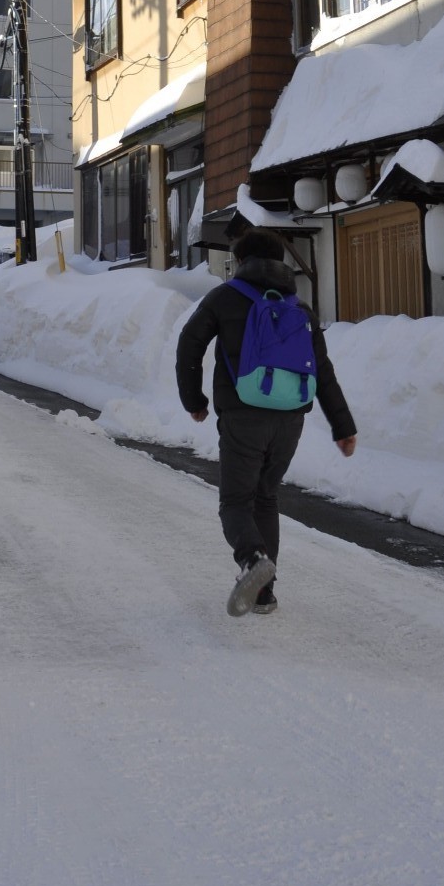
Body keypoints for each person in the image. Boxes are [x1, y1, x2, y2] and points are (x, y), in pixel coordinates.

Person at [176, 229, 357, 617]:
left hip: (243, 414)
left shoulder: (225, 297)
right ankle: (263, 593)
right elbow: (322, 371)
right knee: (265, 497)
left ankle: (252, 559)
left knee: (236, 501)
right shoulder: (300, 309)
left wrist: (194, 401)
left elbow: (190, 343)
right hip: (290, 420)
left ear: (241, 261)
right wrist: (343, 426)